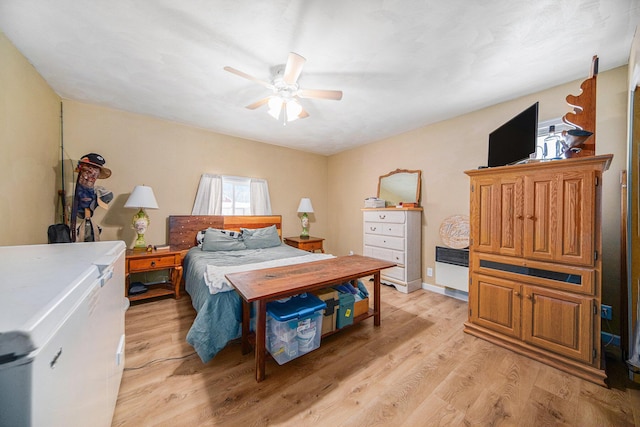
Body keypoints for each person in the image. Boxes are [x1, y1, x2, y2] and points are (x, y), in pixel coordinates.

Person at [71, 153, 113, 242]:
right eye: (89, 168)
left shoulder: (101, 193)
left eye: (96, 169)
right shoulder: (75, 196)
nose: (93, 173)